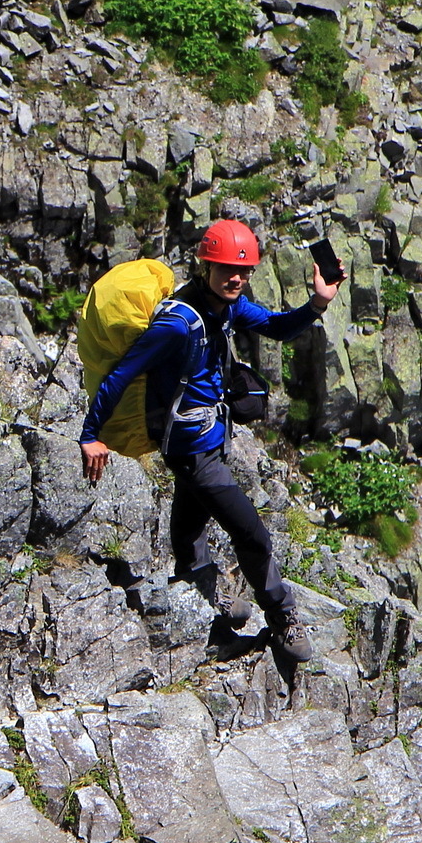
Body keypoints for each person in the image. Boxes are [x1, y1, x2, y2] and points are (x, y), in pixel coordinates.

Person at [78, 220, 339, 664]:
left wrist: (318, 302)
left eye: (243, 272)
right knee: (251, 533)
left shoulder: (228, 306)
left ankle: (200, 590)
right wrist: (89, 435)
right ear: (205, 265)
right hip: (191, 450)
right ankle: (283, 616)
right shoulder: (178, 324)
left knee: (191, 520)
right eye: (224, 269)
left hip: (211, 439)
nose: (235, 278)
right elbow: (121, 373)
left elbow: (277, 327)